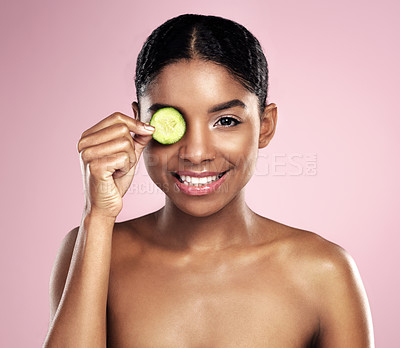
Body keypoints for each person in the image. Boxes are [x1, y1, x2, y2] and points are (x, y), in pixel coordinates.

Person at [43, 14, 374, 347]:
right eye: (169, 121)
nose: (196, 153)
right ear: (137, 124)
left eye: (226, 120)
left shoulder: (324, 272)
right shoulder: (91, 248)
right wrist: (98, 217)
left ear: (266, 126)